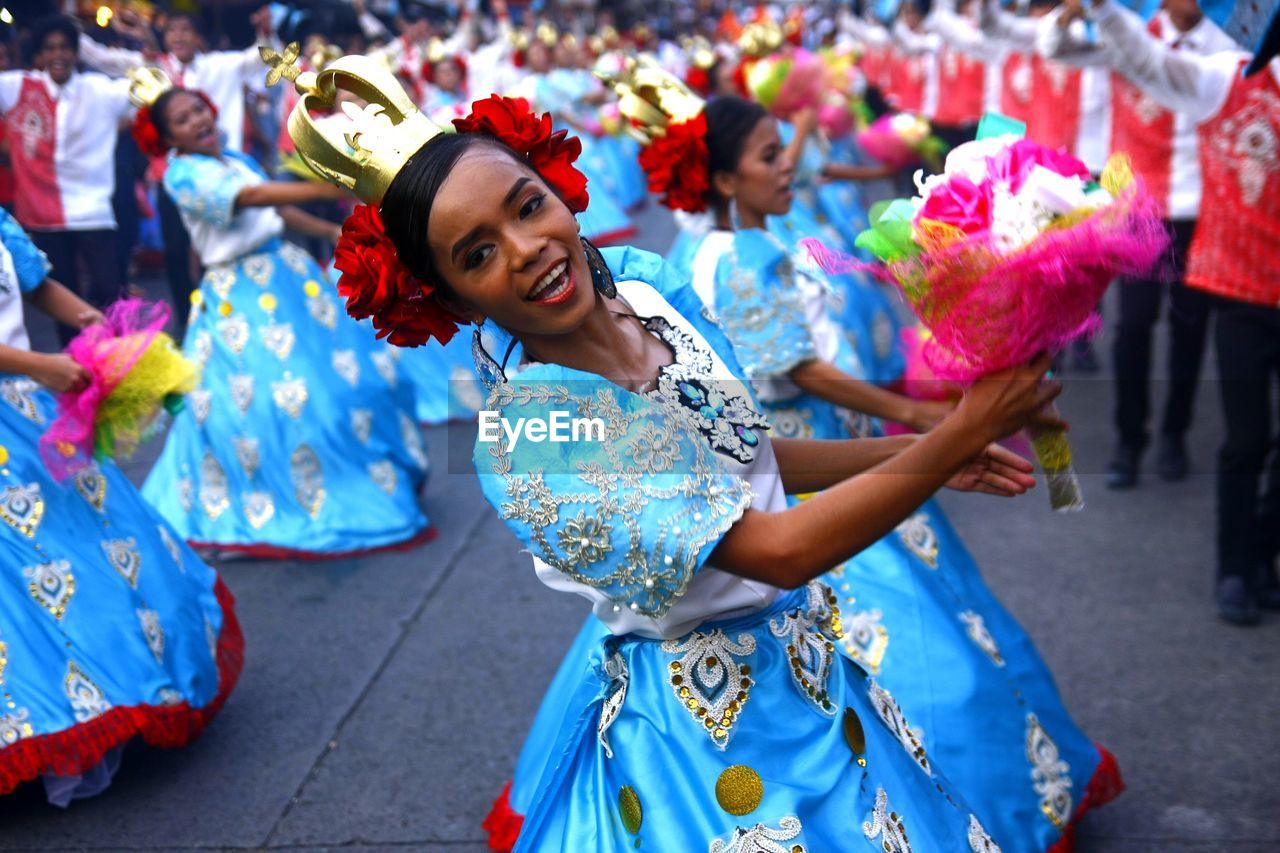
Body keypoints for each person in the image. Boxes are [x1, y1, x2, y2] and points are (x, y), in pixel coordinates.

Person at [278, 51, 1085, 850]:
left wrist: (911, 449)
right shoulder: (536, 436)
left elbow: (745, 453)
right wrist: (951, 438)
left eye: (527, 207)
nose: (525, 249)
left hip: (816, 678)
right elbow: (776, 549)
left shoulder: (644, 287)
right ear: (449, 299)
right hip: (709, 750)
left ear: (558, 189)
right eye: (477, 254)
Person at [0, 206, 242, 805]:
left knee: (94, 553)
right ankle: (53, 720)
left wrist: (87, 319)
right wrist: (41, 365)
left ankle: (110, 695)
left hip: (28, 416)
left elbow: (36, 283)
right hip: (26, 396)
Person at [133, 81, 432, 558]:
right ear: (171, 139)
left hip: (287, 278)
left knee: (351, 381)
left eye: (199, 108)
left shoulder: (234, 159)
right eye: (183, 120)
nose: (198, 120)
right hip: (238, 301)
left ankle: (350, 477)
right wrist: (332, 181)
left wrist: (334, 229)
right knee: (269, 404)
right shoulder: (183, 174)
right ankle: (265, 500)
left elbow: (277, 209)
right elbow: (250, 198)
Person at [1037, 0, 1236, 488]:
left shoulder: (1226, 45)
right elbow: (1054, 47)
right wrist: (1070, 11)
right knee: (1134, 325)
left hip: (1202, 205)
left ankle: (1174, 433)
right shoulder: (1128, 31)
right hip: (1137, 203)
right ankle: (1130, 439)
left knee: (1190, 328)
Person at [0, 16, 134, 345]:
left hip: (93, 211)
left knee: (109, 289)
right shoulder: (18, 86)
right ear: (40, 55)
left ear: (76, 52)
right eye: (50, 48)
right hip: (43, 214)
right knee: (63, 297)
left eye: (66, 47)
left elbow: (153, 79)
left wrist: (98, 52)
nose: (58, 54)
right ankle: (78, 366)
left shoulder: (99, 89)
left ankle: (123, 359)